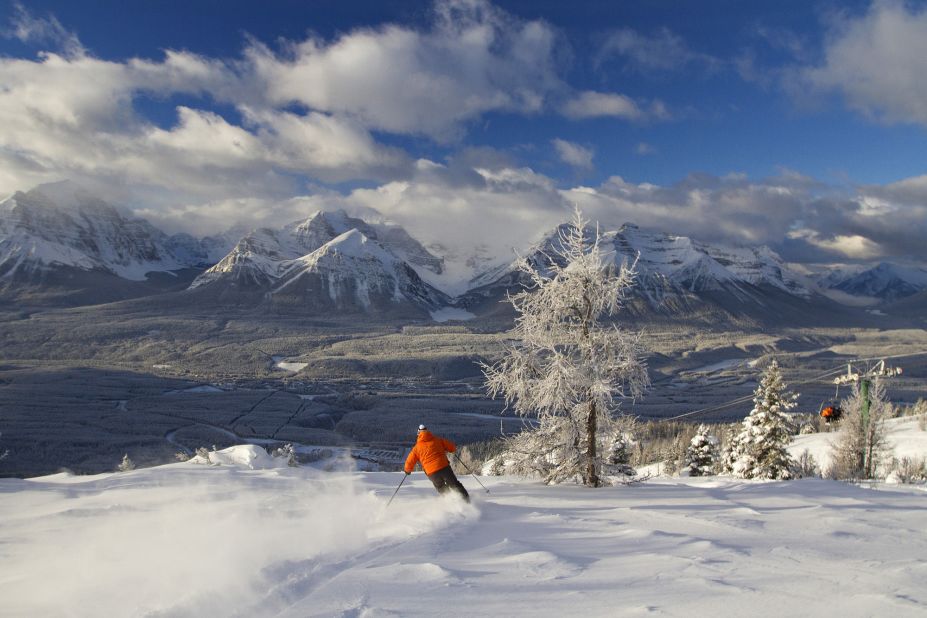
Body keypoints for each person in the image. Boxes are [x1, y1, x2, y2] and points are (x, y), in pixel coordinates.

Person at [404, 424, 470, 503]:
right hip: (444, 467)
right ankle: (466, 501)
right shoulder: (438, 440)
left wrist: (407, 470)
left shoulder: (416, 448)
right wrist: (452, 450)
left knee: (441, 487)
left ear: (418, 434)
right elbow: (451, 447)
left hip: (432, 472)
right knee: (454, 484)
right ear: (428, 432)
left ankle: (452, 503)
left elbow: (410, 460)